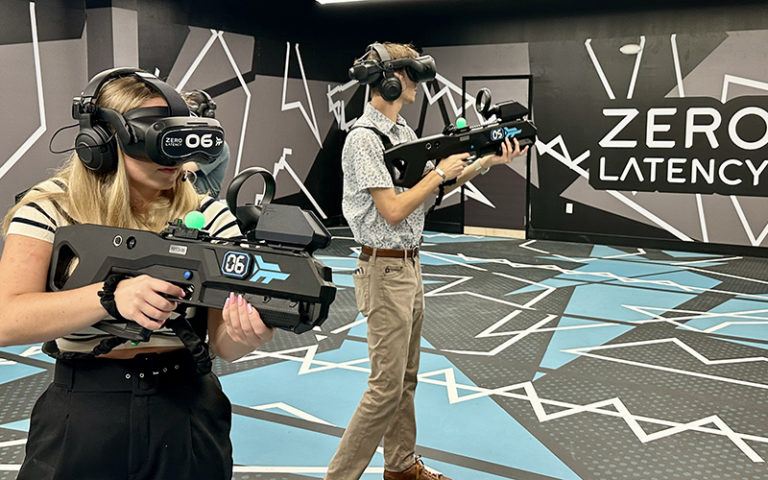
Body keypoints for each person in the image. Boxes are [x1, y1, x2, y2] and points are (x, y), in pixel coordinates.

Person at [0, 68, 273, 480]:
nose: (175, 160)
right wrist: (110, 298)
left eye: (180, 142)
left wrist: (244, 333)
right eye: (152, 141)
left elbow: (223, 343)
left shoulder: (211, 215)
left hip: (187, 407)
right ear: (102, 142)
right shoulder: (49, 210)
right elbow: (6, 319)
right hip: (86, 408)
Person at [326, 43, 529, 480]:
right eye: (410, 75)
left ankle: (399, 466)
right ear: (390, 81)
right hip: (383, 270)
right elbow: (394, 210)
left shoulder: (401, 135)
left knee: (406, 381)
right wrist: (438, 172)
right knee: (384, 389)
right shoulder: (364, 139)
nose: (417, 84)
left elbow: (433, 190)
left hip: (409, 267)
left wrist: (489, 160)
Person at [181, 89, 230, 198]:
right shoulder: (184, 141)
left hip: (203, 203)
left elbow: (186, 168)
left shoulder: (217, 145)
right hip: (181, 200)